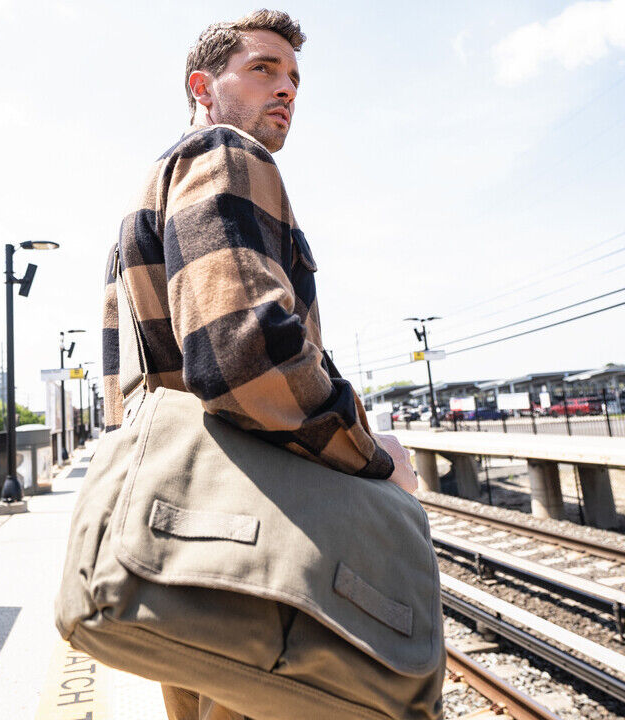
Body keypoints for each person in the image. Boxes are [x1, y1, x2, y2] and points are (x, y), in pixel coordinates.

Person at [101, 9, 419, 720]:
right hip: (254, 537)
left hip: (181, 541)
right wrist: (371, 454)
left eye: (295, 78)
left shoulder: (147, 195)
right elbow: (243, 356)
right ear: (203, 87)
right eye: (263, 69)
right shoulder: (223, 153)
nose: (287, 90)